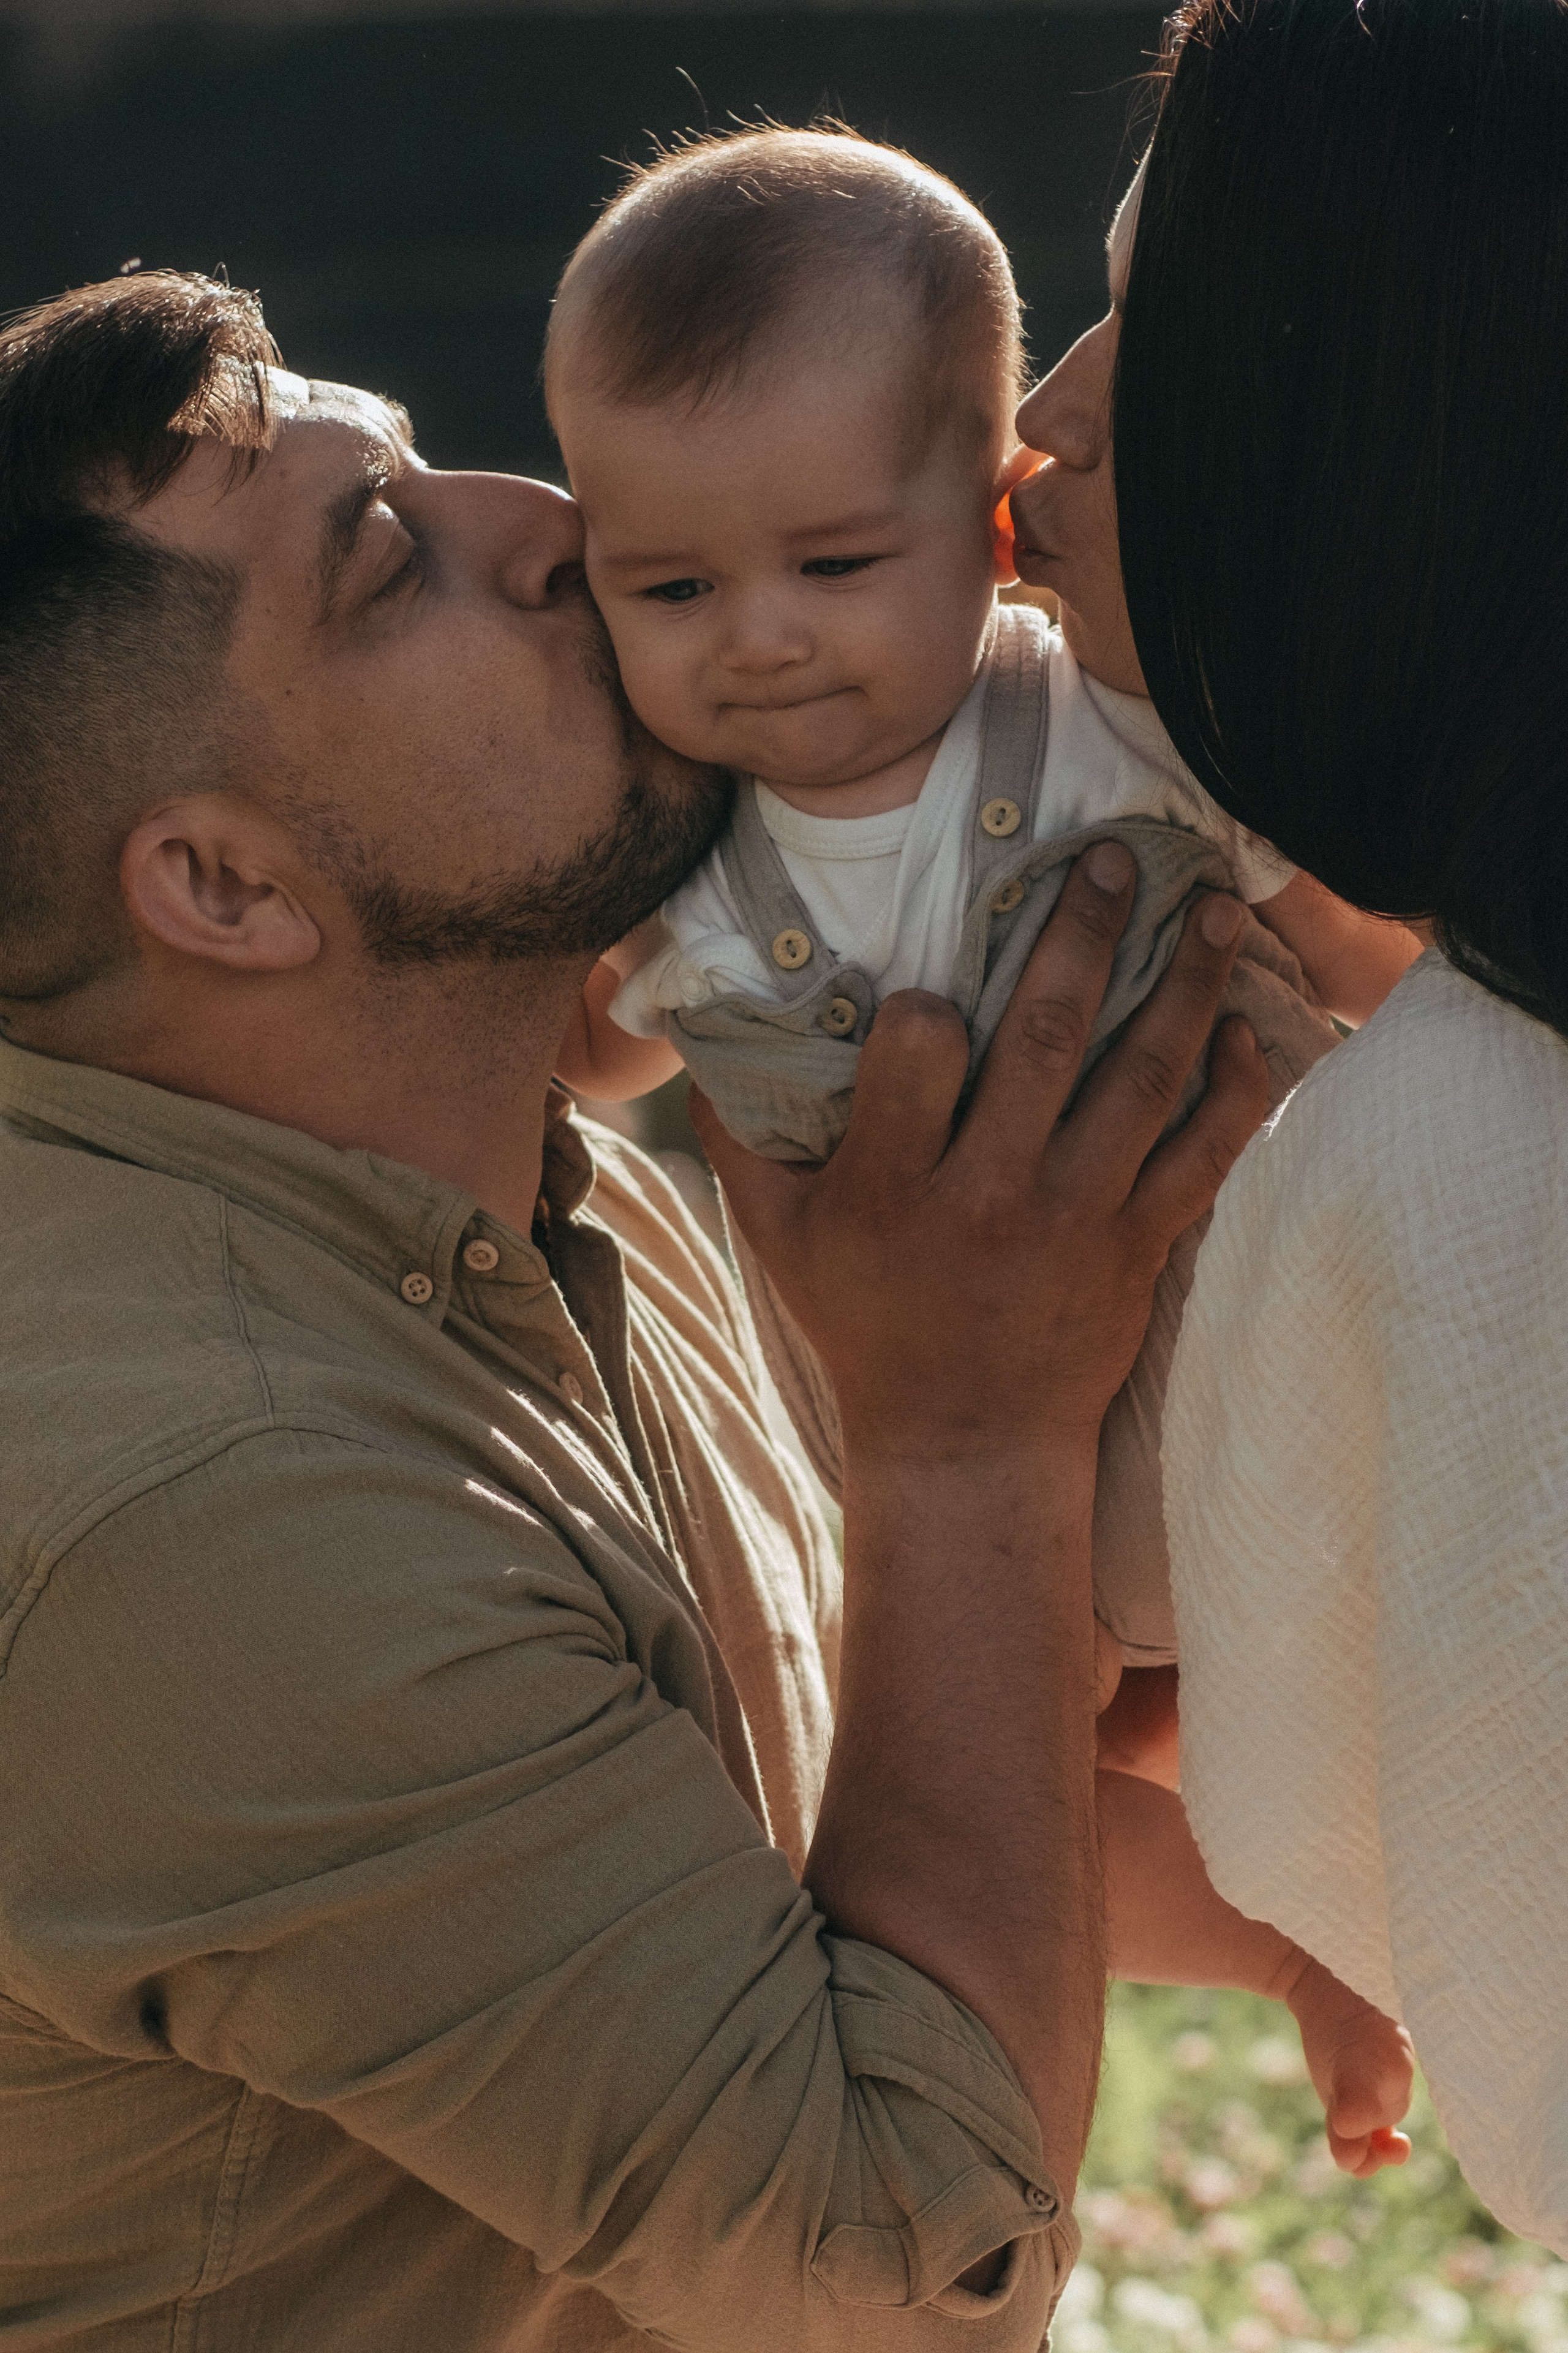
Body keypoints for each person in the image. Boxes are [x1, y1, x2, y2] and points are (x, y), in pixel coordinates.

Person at [0, 268, 1269, 2349]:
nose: (558, 527)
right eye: (394, 563)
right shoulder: (213, 1513)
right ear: (222, 891)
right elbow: (898, 2277)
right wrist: (972, 1441)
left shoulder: (491, 1163)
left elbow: (766, 1881)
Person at [541, 126, 1415, 2166]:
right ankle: (1302, 1943)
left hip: (1260, 1362)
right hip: (973, 1455)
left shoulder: (1111, 728)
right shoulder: (671, 859)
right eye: (669, 584)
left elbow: (1352, 944)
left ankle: (1387, 1868)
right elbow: (585, 1074)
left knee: (1373, 1657)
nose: (755, 635)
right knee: (998, 1746)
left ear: (996, 526)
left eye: (834, 566)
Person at [1042, 0, 1568, 2259]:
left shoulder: (1450, 1169)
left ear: (1395, 424)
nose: (1041, 414)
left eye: (1157, 332)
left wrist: (958, 1435)